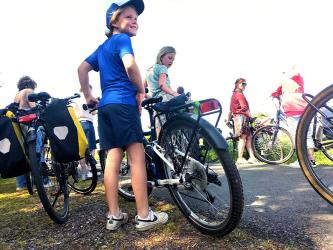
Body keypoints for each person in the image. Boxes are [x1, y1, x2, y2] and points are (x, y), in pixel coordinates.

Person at [77, 0, 168, 231]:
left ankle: (114, 215)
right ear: (114, 22)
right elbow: (130, 65)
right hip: (123, 105)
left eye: (136, 17)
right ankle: (144, 215)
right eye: (127, 16)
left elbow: (81, 69)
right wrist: (140, 90)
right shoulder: (121, 39)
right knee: (137, 157)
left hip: (106, 108)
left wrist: (88, 96)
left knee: (112, 160)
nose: (134, 19)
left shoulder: (102, 48)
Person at [271, 65, 315, 168]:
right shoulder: (299, 78)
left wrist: (274, 94)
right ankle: (312, 161)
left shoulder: (285, 79)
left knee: (297, 135)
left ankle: (302, 162)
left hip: (292, 108)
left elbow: (275, 91)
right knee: (307, 134)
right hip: (305, 107)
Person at [144, 46, 179, 134]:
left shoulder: (149, 70)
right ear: (161, 56)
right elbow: (162, 85)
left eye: (173, 60)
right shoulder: (162, 68)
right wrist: (175, 93)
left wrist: (148, 97)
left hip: (157, 102)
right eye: (169, 58)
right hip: (166, 98)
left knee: (159, 125)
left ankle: (161, 146)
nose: (171, 61)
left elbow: (142, 88)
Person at [226, 78, 258, 165]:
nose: (244, 85)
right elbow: (244, 108)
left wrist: (228, 120)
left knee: (248, 138)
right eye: (242, 84)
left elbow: (230, 110)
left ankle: (252, 157)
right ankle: (239, 158)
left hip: (240, 117)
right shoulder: (239, 94)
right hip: (241, 117)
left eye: (245, 84)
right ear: (237, 84)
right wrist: (252, 117)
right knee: (243, 138)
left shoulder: (234, 95)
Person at [13, 76, 37, 191]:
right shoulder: (29, 91)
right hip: (29, 122)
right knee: (36, 150)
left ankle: (21, 184)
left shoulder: (17, 95)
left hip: (18, 123)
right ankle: (42, 180)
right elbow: (33, 106)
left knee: (23, 152)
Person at [73, 85, 97, 180]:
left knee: (81, 148)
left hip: (78, 123)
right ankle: (90, 170)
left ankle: (83, 171)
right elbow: (94, 112)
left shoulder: (75, 99)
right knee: (91, 147)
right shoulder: (88, 98)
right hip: (87, 122)